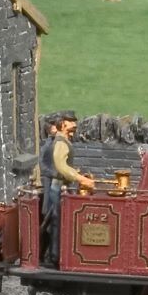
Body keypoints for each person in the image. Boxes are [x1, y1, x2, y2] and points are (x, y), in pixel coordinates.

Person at [37, 111, 94, 267]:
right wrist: (81, 179)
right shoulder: (61, 143)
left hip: (61, 186)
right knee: (57, 221)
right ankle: (55, 256)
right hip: (57, 187)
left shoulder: (64, 141)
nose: (74, 125)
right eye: (71, 122)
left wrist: (77, 174)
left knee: (58, 220)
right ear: (63, 124)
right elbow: (61, 167)